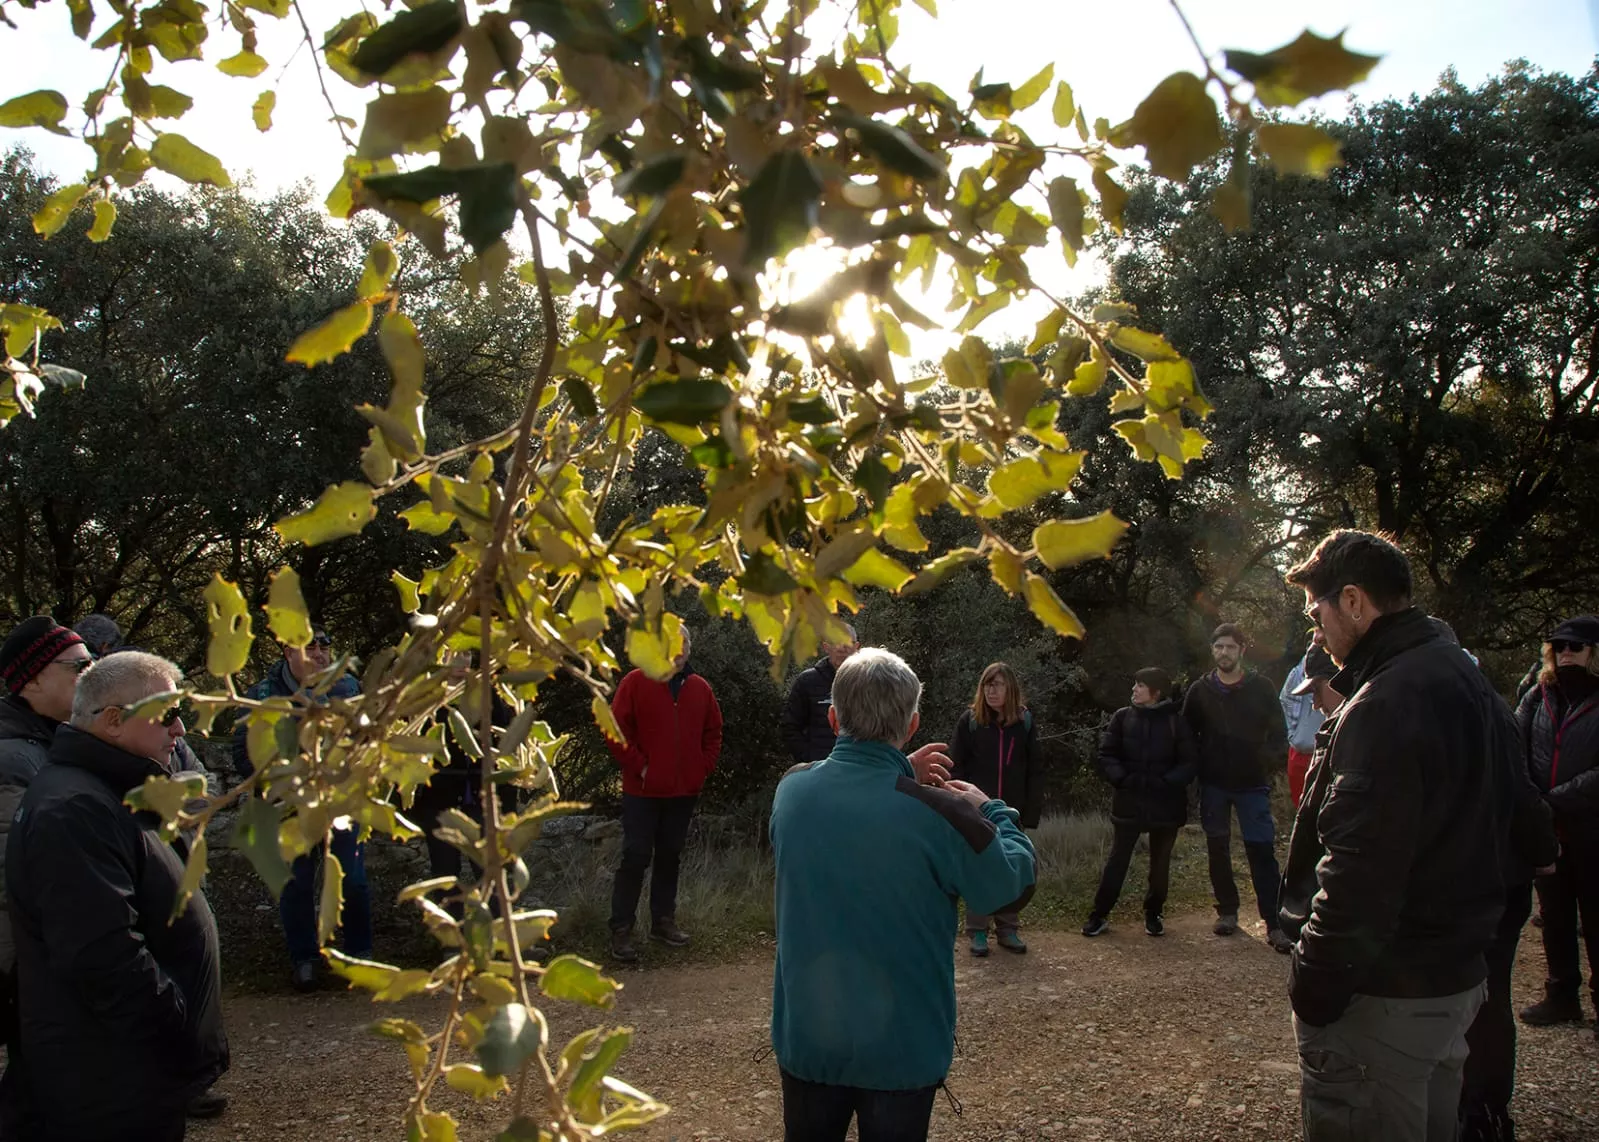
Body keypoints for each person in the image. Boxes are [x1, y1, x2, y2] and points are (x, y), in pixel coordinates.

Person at [1280, 529, 1517, 1142]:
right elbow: (1522, 818)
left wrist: (1314, 982)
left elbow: (1359, 870)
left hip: (1387, 995)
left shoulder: (1382, 703)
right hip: (1454, 979)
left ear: (1353, 601)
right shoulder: (1466, 679)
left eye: (1317, 614)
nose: (1317, 633)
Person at [769, 648, 1036, 1142]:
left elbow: (839, 787)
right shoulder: (940, 814)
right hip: (902, 1050)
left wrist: (897, 770)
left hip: (808, 1041)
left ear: (833, 719)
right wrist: (994, 811)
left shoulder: (791, 794)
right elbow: (1009, 887)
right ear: (912, 725)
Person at [5, 651, 228, 1141]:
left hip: (129, 1072)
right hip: (109, 1082)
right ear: (112, 721)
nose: (180, 730)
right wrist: (176, 1024)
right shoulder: (75, 809)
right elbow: (102, 955)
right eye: (168, 714)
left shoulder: (110, 791)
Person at [232, 626, 371, 992]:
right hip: (288, 808)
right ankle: (305, 960)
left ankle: (359, 957)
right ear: (288, 652)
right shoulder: (262, 695)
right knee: (295, 884)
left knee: (352, 881)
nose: (320, 653)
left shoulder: (350, 689)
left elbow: (368, 743)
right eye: (310, 647)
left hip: (339, 805)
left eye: (325, 646)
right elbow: (242, 754)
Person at [1459, 723, 1559, 1141]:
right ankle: (1479, 1111)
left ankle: (1482, 1111)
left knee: (1483, 996)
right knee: (1484, 994)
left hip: (1482, 879)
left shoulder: (1406, 698)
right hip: (1488, 874)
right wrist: (1542, 849)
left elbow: (1519, 789)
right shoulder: (1485, 702)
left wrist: (1541, 847)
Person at [604, 627, 724, 963]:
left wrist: (701, 767)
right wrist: (641, 767)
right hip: (642, 791)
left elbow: (714, 731)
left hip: (683, 791)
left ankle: (663, 921)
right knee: (635, 856)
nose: (680, 649)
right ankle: (621, 929)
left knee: (670, 855)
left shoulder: (699, 688)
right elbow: (615, 731)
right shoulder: (635, 682)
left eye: (685, 643)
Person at [1182, 622, 1293, 950]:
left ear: (1242, 650)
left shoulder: (1261, 687)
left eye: (1230, 647)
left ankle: (1274, 922)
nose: (1224, 653)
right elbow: (1186, 734)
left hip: (1252, 785)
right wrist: (1197, 765)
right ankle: (1227, 911)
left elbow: (1279, 732)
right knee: (1218, 849)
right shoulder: (1200, 691)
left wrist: (1266, 761)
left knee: (1261, 851)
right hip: (1214, 784)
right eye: (1219, 647)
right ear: (1212, 650)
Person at [1514, 614, 1599, 1036]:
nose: (1566, 653)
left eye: (1576, 646)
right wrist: (1532, 800)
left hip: (1591, 826)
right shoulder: (1538, 694)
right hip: (1548, 827)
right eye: (1559, 646)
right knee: (1554, 914)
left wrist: (1554, 799)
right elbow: (1515, 743)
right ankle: (1562, 995)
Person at [1083, 666, 1198, 939]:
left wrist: (1166, 782)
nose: (1134, 689)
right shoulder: (1122, 718)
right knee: (1117, 860)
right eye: (1135, 684)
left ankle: (1153, 914)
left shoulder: (1176, 723)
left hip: (1166, 805)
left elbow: (1190, 762)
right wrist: (1122, 778)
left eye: (1140, 685)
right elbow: (1107, 754)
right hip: (1129, 802)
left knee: (1160, 863)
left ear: (1155, 692)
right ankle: (1099, 914)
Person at [950, 661, 1042, 955]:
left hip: (1012, 811)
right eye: (987, 685)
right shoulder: (970, 721)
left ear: (1009, 688)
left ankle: (1007, 928)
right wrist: (959, 805)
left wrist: (1031, 811)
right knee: (980, 868)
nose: (991, 691)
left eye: (997, 685)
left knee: (1013, 867)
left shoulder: (1024, 723)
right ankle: (978, 930)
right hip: (978, 810)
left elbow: (1035, 769)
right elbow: (956, 766)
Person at [780, 625, 858, 764]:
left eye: (847, 642)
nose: (842, 648)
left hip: (858, 765)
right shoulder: (808, 681)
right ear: (826, 647)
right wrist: (809, 759)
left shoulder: (868, 682)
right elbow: (790, 726)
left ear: (856, 647)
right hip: (820, 766)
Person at [1280, 637, 1330, 809]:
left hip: (1326, 750)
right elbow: (1286, 700)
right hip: (1301, 751)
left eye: (1317, 691)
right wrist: (1295, 734)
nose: (1316, 703)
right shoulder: (1296, 673)